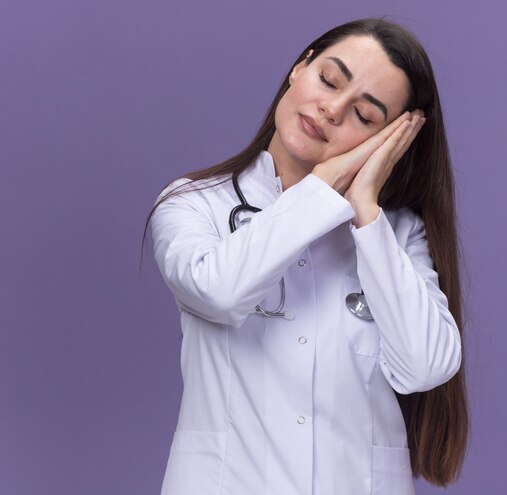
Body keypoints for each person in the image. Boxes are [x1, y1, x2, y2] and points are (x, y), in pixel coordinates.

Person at [142, 17, 469, 495]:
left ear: (390, 141)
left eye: (366, 115)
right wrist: (323, 188)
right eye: (329, 80)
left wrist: (366, 213)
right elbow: (218, 291)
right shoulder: (193, 203)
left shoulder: (394, 236)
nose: (332, 109)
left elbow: (426, 366)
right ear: (299, 69)